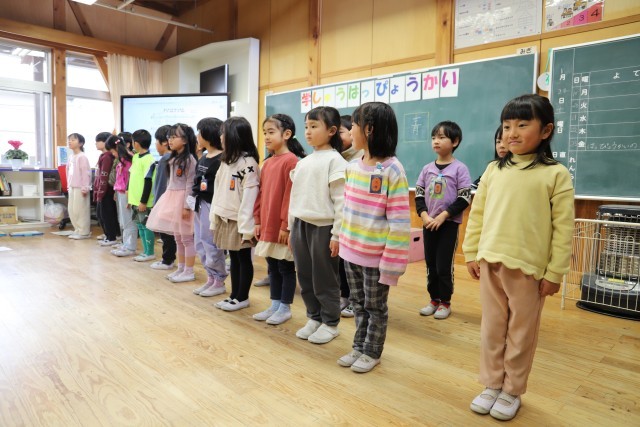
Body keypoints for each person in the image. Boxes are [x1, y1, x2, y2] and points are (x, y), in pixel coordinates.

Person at [464, 94, 574, 421]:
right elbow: (477, 215)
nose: (511, 133)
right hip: (490, 262)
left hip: (529, 269)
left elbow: (563, 228)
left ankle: (512, 389)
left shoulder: (556, 174)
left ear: (546, 131)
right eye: (507, 125)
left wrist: (555, 273)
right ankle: (491, 384)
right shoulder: (493, 170)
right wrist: (471, 252)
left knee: (521, 333)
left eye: (522, 125)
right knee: (492, 328)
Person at [337, 102, 411, 373]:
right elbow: (346, 210)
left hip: (376, 257)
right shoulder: (353, 167)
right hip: (350, 252)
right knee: (357, 304)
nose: (350, 131)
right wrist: (340, 240)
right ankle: (359, 346)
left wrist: (392, 265)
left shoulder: (393, 170)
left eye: (354, 126)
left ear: (368, 129)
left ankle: (372, 351)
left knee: (375, 307)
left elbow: (400, 223)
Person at [289, 106, 347, 344]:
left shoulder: (336, 161)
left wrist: (337, 235)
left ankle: (330, 323)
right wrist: (291, 228)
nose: (308, 131)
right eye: (306, 127)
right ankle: (314, 317)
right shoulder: (304, 162)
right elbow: (295, 197)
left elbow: (341, 201)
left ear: (331, 131)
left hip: (324, 228)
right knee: (304, 275)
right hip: (301, 226)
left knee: (325, 278)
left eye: (314, 126)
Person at [415, 120, 472, 319]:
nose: (436, 141)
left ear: (455, 141)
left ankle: (445, 302)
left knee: (443, 266)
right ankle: (434, 299)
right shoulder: (427, 169)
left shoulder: (460, 169)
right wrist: (424, 215)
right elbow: (419, 195)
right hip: (429, 224)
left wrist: (443, 216)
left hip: (448, 225)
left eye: (441, 137)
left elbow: (464, 198)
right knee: (430, 264)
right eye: (433, 138)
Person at [252, 114, 306, 325]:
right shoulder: (267, 163)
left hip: (281, 226)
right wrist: (258, 220)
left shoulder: (291, 161)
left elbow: (290, 196)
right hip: (267, 224)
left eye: (271, 132)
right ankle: (274, 304)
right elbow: (261, 193)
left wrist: (285, 225)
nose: (266, 136)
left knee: (285, 267)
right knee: (272, 267)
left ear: (287, 134)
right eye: (264, 132)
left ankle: (285, 308)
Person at [209, 116, 260, 311]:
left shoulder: (248, 163)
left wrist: (246, 227)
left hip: (240, 221)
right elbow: (218, 190)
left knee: (243, 259)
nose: (220, 137)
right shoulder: (226, 161)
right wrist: (214, 217)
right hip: (225, 217)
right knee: (234, 259)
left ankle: (242, 297)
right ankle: (234, 295)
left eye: (223, 133)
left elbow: (249, 198)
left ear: (234, 136)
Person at [146, 123, 198, 282]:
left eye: (174, 137)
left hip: (183, 201)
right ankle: (181, 268)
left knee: (187, 238)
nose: (170, 140)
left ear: (185, 140)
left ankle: (189, 271)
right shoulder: (172, 159)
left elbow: (190, 184)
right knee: (178, 237)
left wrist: (186, 206)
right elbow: (170, 182)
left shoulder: (189, 159)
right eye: (169, 137)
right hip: (171, 198)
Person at [191, 117, 228, 297]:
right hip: (199, 204)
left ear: (208, 134)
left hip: (212, 205)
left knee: (211, 243)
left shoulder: (222, 159)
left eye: (199, 132)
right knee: (199, 242)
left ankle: (219, 279)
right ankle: (210, 277)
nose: (197, 136)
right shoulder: (204, 157)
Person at [337, 114, 363, 318]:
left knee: (358, 265)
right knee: (343, 262)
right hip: (343, 219)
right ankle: (345, 296)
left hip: (359, 221)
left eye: (341, 132)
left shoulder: (360, 157)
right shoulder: (339, 156)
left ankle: (356, 299)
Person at [148, 126, 177, 271]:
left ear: (164, 142)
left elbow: (160, 184)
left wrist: (156, 203)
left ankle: (167, 260)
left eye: (156, 141)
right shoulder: (175, 158)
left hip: (165, 200)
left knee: (166, 233)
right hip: (173, 200)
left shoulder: (166, 159)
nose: (155, 145)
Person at [128, 129, 157, 262]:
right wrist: (130, 198)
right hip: (134, 200)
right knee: (139, 226)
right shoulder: (135, 157)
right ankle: (145, 251)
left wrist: (143, 201)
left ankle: (150, 252)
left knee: (146, 226)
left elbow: (148, 181)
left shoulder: (149, 159)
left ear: (136, 143)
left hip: (143, 201)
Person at [106, 135, 138, 257]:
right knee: (123, 221)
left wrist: (130, 197)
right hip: (120, 192)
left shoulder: (129, 160)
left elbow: (130, 181)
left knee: (129, 221)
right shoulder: (121, 160)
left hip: (127, 193)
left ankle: (130, 247)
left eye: (112, 151)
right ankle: (125, 244)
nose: (112, 154)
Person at [93, 131, 119, 246]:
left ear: (105, 142)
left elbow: (104, 176)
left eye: (98, 141)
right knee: (101, 214)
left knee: (106, 215)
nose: (96, 143)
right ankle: (109, 235)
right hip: (102, 190)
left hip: (106, 191)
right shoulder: (103, 156)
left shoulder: (108, 157)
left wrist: (100, 192)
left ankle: (111, 237)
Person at [66, 132, 92, 239]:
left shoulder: (82, 157)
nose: (70, 141)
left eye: (73, 140)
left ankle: (84, 232)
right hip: (72, 187)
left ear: (80, 143)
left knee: (81, 210)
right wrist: (68, 186)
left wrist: (85, 188)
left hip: (80, 187)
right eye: (69, 140)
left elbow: (86, 173)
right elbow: (68, 172)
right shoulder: (71, 156)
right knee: (72, 210)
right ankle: (77, 229)